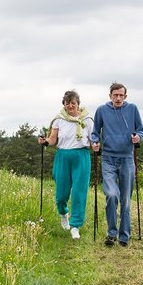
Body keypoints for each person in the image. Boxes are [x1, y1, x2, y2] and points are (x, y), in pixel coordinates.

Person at [90, 83, 143, 247]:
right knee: (112, 195)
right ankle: (111, 233)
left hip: (127, 158)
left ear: (125, 97)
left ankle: (124, 236)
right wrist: (95, 142)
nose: (118, 98)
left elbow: (141, 130)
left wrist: (138, 138)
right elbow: (94, 132)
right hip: (108, 158)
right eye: (115, 95)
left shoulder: (133, 109)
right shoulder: (101, 110)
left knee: (125, 200)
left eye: (121, 95)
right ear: (110, 96)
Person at [38, 90, 94, 240]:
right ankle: (64, 214)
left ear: (78, 104)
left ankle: (75, 226)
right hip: (63, 156)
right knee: (61, 193)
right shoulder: (59, 119)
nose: (70, 106)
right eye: (67, 103)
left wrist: (96, 145)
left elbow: (93, 139)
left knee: (79, 192)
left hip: (81, 156)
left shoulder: (87, 119)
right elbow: (52, 139)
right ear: (64, 104)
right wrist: (45, 142)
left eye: (73, 103)